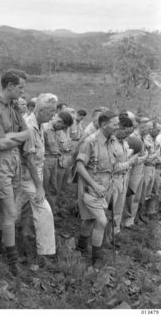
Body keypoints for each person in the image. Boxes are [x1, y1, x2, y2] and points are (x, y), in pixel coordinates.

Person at [0, 69, 29, 276]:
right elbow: (0, 144)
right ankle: (12, 260)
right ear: (9, 86)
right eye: (20, 87)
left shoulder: (14, 107)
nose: (22, 91)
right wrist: (15, 136)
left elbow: (27, 132)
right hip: (0, 161)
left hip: (14, 161)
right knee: (10, 211)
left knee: (2, 206)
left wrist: (13, 135)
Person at [16, 93, 58, 269]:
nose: (53, 115)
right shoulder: (29, 127)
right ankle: (45, 254)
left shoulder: (40, 124)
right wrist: (40, 188)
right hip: (28, 175)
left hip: (33, 174)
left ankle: (16, 247)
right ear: (40, 110)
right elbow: (30, 161)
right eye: (51, 112)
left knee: (19, 211)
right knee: (44, 211)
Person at [75, 110, 119, 267]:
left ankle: (80, 247)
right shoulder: (90, 142)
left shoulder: (112, 141)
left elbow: (111, 165)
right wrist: (94, 185)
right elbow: (80, 166)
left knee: (89, 219)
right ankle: (96, 258)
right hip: (91, 188)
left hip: (105, 188)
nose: (117, 127)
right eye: (114, 124)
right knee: (101, 221)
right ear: (104, 124)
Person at [43, 110, 73, 211]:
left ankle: (50, 212)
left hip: (54, 160)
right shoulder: (46, 128)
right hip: (45, 161)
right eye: (63, 126)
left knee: (53, 188)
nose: (62, 129)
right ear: (59, 121)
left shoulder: (56, 130)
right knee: (44, 189)